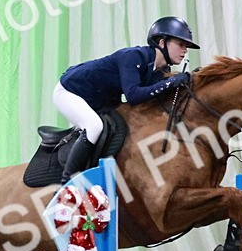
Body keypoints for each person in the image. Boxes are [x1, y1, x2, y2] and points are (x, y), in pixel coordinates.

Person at [53, 16, 200, 182]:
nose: (185, 50)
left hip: (97, 98)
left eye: (186, 46)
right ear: (161, 42)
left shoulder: (157, 70)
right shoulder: (133, 56)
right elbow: (134, 96)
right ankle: (67, 182)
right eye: (181, 44)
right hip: (70, 91)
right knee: (94, 126)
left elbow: (157, 92)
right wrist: (172, 81)